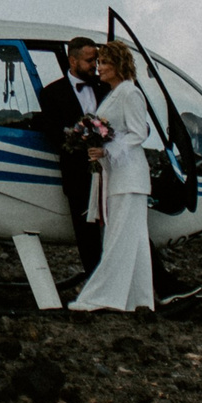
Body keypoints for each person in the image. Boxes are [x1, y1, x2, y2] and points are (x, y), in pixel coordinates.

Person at [69, 40, 157, 313]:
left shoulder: (130, 93)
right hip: (118, 177)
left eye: (104, 63)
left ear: (118, 65)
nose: (99, 69)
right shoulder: (116, 93)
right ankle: (139, 300)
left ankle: (100, 297)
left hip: (128, 177)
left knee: (118, 237)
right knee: (136, 240)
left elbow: (138, 132)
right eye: (98, 63)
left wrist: (106, 151)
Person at [34, 37, 106, 278]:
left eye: (96, 60)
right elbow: (56, 135)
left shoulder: (106, 87)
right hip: (78, 174)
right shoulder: (51, 94)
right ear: (72, 60)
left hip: (110, 169)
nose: (94, 65)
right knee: (86, 234)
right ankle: (96, 280)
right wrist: (83, 141)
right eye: (89, 60)